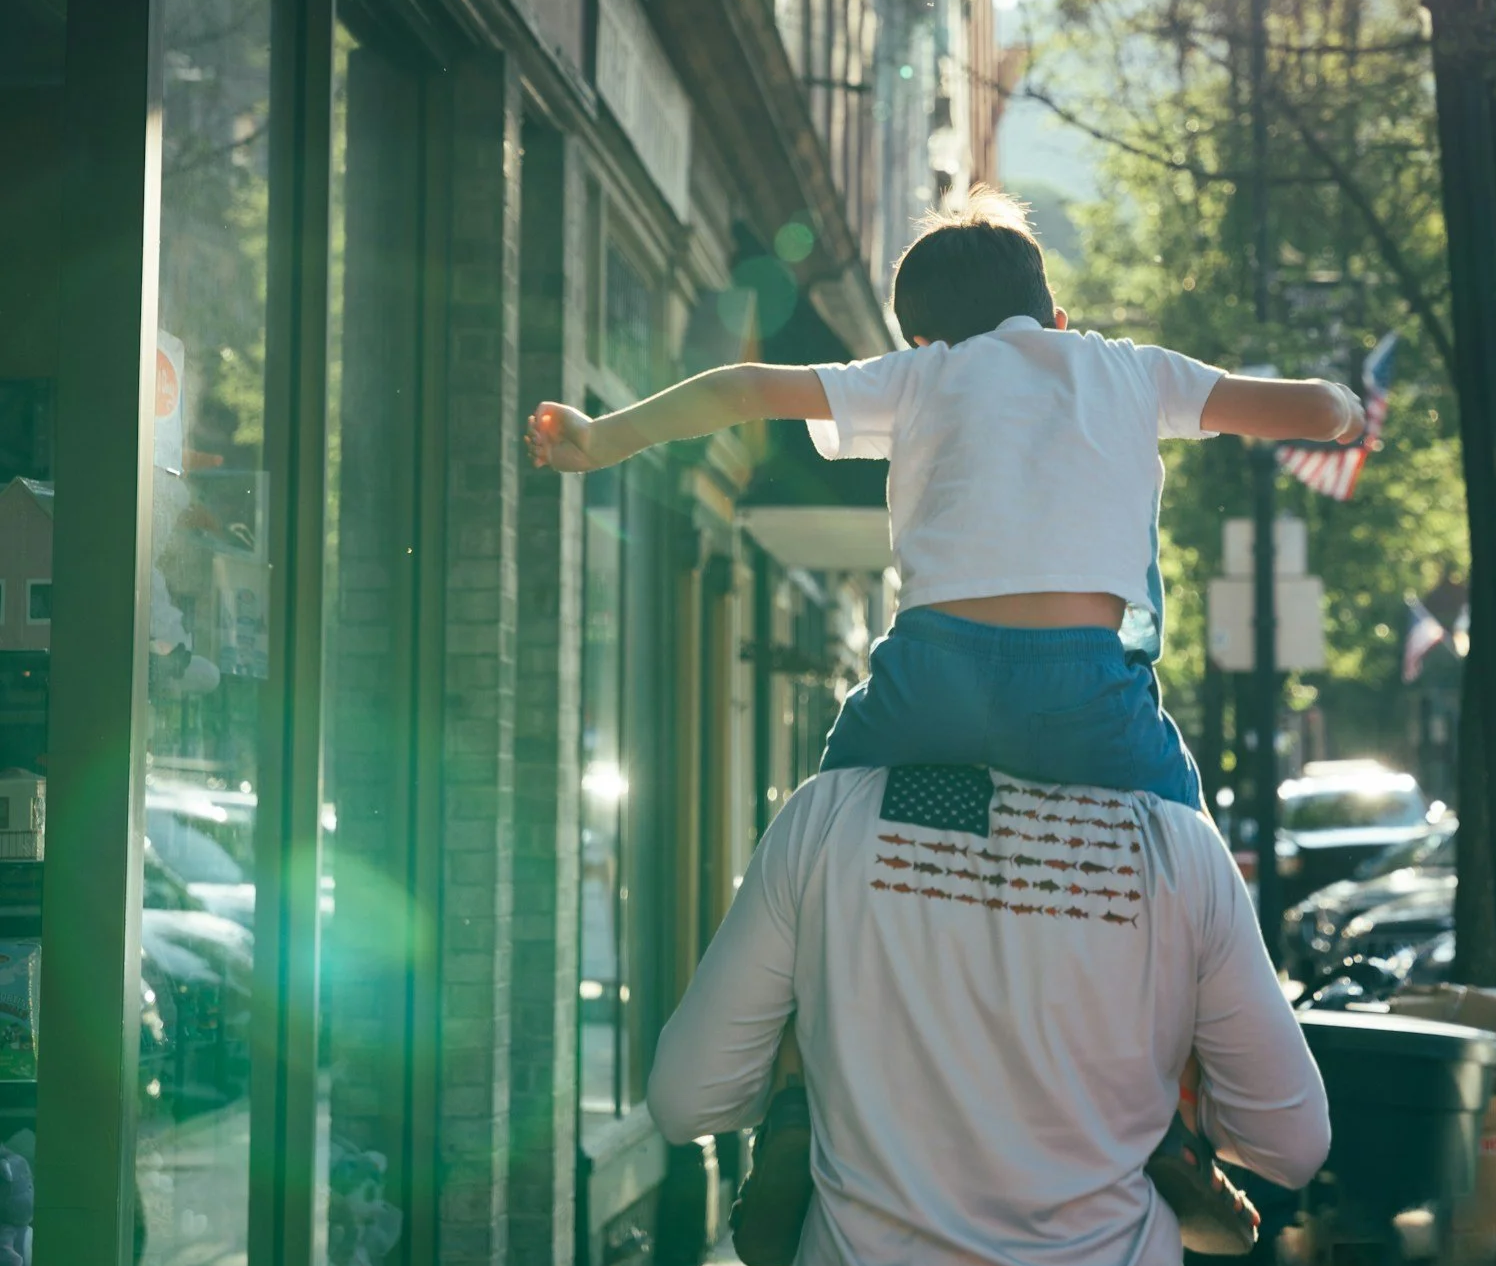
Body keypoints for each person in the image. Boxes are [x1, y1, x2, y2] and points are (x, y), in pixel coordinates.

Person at [524, 188, 1364, 807]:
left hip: (934, 678)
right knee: (1191, 859)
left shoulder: (921, 373)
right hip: (1089, 691)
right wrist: (1345, 406)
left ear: (922, 339)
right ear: (1058, 320)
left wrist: (601, 440)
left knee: (823, 823)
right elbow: (1316, 412)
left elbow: (741, 388)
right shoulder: (1133, 369)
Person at [646, 755, 1332, 1266]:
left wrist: (824, 1067)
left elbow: (687, 1100)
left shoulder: (828, 816)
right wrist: (1148, 1087)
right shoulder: (1174, 844)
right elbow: (1290, 1143)